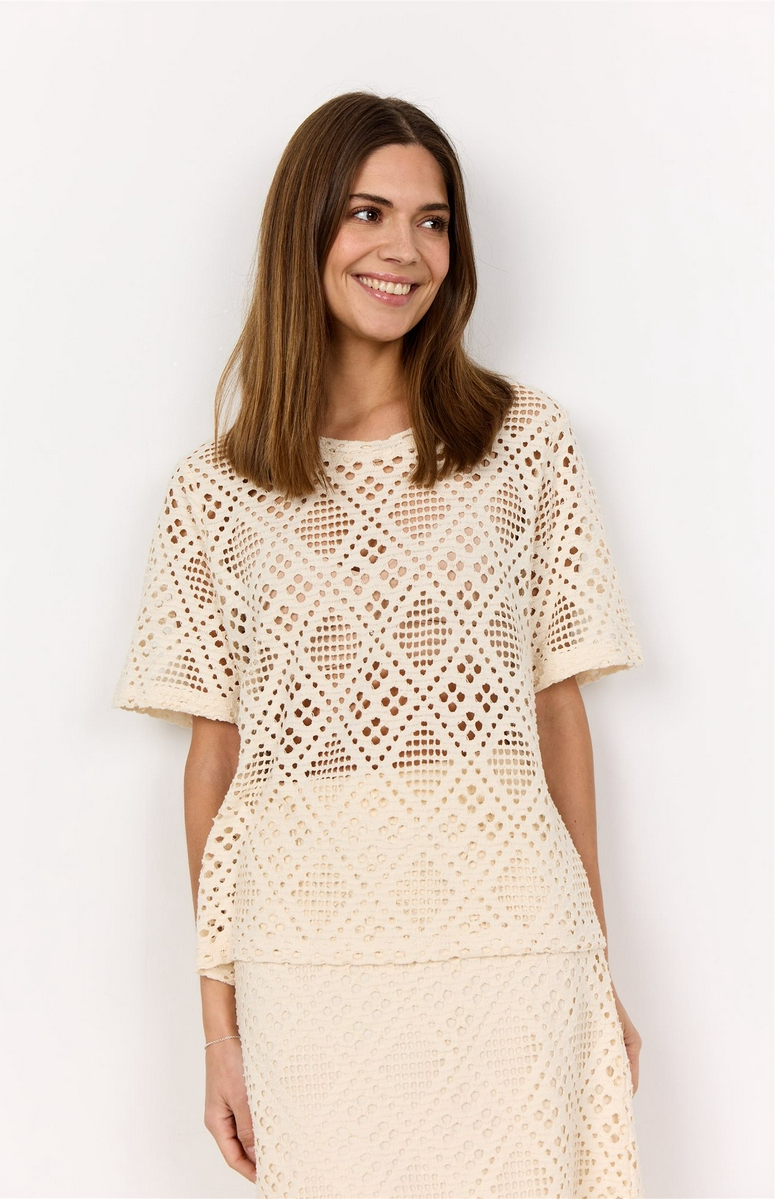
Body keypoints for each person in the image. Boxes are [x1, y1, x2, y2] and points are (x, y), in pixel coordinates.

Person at [114, 91, 645, 1198]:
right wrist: (218, 1026)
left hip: (512, 942)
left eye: (432, 220)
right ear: (304, 229)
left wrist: (595, 962)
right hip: (305, 959)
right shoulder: (214, 494)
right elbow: (214, 760)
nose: (405, 249)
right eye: (368, 212)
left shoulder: (522, 444)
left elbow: (556, 709)